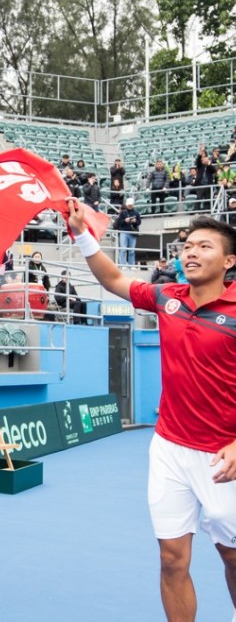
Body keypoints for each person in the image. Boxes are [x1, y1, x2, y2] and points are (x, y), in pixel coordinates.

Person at [67, 203, 236, 622]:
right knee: (171, 559)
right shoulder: (167, 298)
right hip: (169, 450)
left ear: (229, 261)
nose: (191, 252)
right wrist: (80, 233)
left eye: (204, 246)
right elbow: (113, 279)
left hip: (223, 457)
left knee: (232, 557)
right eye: (187, 245)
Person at [115, 197, 142, 266]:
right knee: (123, 249)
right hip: (124, 232)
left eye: (131, 205)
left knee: (131, 251)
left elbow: (139, 222)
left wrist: (135, 221)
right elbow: (119, 223)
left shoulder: (136, 213)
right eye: (129, 205)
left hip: (132, 233)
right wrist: (125, 221)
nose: (130, 206)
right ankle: (123, 264)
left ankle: (131, 264)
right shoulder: (123, 213)